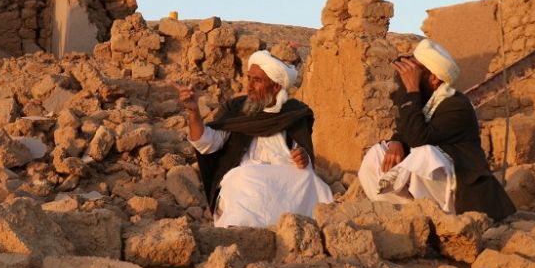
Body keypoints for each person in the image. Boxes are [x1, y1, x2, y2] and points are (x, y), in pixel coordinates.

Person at [358, 38, 515, 221]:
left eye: (416, 72)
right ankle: (405, 216)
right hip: (434, 185)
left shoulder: (457, 105)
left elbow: (419, 138)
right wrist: (396, 141)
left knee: (425, 156)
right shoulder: (425, 98)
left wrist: (412, 89)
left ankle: (438, 219)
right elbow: (406, 125)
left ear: (434, 78)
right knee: (376, 154)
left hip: (461, 192)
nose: (410, 75)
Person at [175, 50, 332, 227]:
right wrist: (193, 112)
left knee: (308, 178)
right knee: (245, 177)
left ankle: (296, 227)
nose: (249, 86)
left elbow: (303, 156)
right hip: (246, 179)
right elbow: (205, 143)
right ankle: (242, 230)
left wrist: (303, 159)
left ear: (275, 87)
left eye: (256, 80)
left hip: (281, 178)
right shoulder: (236, 109)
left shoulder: (293, 113)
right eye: (249, 78)